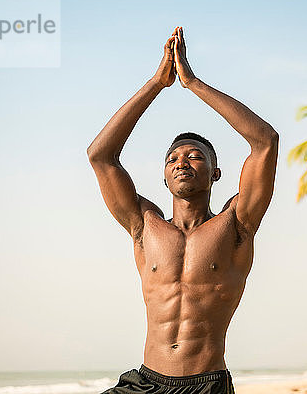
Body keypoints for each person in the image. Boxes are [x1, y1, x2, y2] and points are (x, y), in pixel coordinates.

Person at [87, 26, 278, 394]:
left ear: (216, 173)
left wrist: (191, 83)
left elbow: (265, 141)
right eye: (172, 158)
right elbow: (100, 156)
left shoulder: (236, 225)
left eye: (195, 156)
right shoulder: (144, 225)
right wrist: (157, 83)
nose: (182, 162)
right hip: (145, 382)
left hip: (205, 384)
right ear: (163, 176)